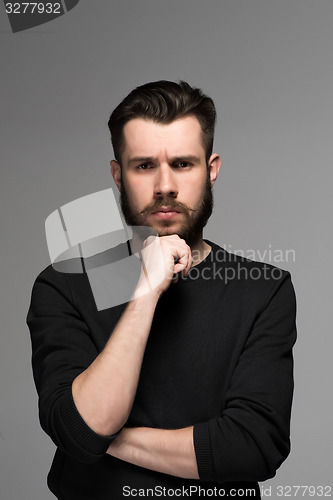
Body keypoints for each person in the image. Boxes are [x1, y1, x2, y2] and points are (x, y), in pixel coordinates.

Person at [27, 80, 297, 499]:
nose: (165, 186)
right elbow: (84, 424)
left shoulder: (263, 290)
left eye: (184, 164)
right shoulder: (63, 286)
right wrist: (146, 290)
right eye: (144, 165)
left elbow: (252, 447)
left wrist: (104, 441)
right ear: (118, 175)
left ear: (212, 169)